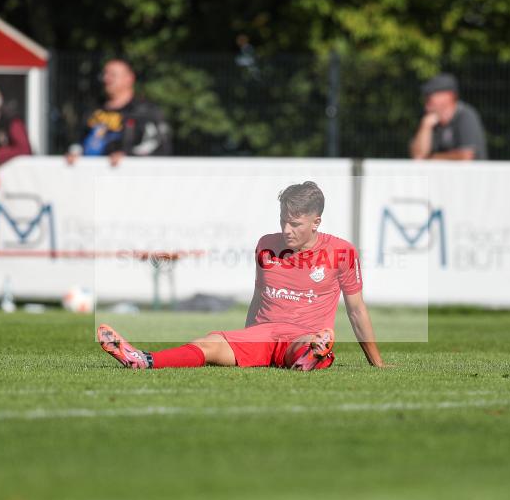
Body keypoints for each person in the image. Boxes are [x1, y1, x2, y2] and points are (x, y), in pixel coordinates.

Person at [96, 181, 385, 370]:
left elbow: (357, 311)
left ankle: (311, 355)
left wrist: (377, 364)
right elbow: (259, 297)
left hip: (302, 335)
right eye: (283, 220)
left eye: (295, 224)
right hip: (261, 335)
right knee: (209, 342)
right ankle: (143, 360)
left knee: (309, 343)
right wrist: (245, 337)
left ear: (316, 222)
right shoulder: (266, 245)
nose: (287, 229)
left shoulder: (341, 252)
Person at [65, 59, 171, 167]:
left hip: (126, 178)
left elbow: (160, 146)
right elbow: (79, 140)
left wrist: (129, 156)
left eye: (113, 75)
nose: (106, 79)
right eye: (105, 74)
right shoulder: (94, 108)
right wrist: (74, 152)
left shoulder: (145, 111)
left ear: (129, 78)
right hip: (90, 176)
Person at [410, 73, 487, 160]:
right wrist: (425, 127)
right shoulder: (429, 120)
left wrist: (431, 159)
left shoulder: (466, 116)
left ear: (449, 96)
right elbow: (418, 156)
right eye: (426, 94)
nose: (427, 98)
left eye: (432, 93)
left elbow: (466, 156)